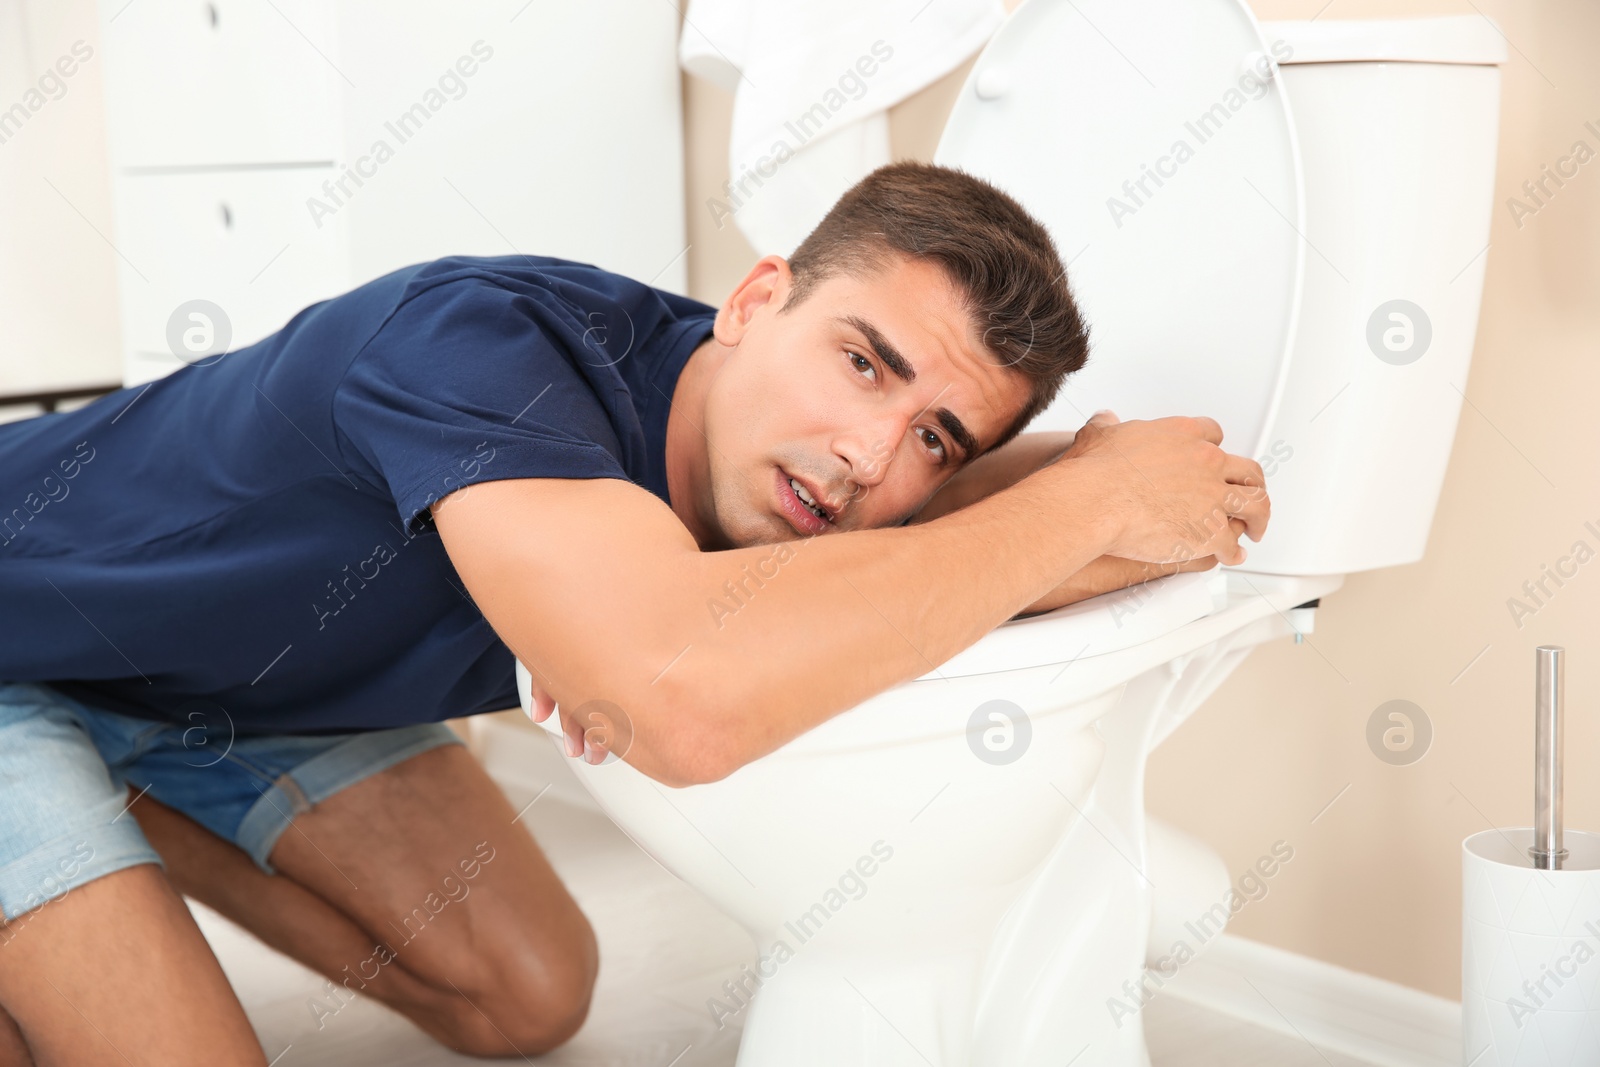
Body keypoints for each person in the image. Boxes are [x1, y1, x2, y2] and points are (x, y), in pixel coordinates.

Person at [0, 161, 1266, 1064]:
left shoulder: (787, 471)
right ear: (758, 299)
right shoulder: (480, 344)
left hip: (228, 699)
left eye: (934, 434)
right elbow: (678, 701)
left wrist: (1106, 490)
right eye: (863, 359)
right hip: (16, 644)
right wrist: (1081, 504)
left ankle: (117, 809)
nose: (868, 455)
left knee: (527, 994)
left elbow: (971, 549)